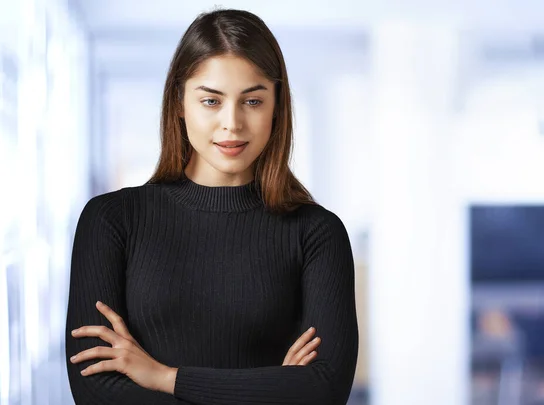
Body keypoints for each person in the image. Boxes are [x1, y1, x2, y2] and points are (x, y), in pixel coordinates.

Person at [65, 8, 359, 405]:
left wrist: (164, 377)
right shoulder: (111, 221)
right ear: (180, 103)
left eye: (252, 101)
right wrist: (271, 389)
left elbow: (324, 390)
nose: (232, 123)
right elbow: (95, 391)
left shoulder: (316, 233)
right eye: (211, 101)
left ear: (277, 107)